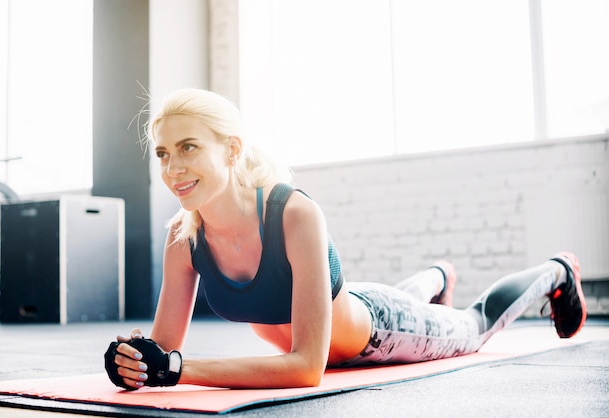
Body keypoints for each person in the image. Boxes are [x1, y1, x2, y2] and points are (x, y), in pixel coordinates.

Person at [104, 88, 587, 390]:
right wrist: (133, 361)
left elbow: (304, 368)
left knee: (474, 326)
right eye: (164, 153)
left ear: (231, 150)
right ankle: (437, 277)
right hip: (348, 313)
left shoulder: (293, 213)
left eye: (189, 148)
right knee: (390, 296)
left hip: (380, 332)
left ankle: (557, 271)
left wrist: (180, 369)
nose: (173, 169)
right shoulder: (181, 237)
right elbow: (162, 351)